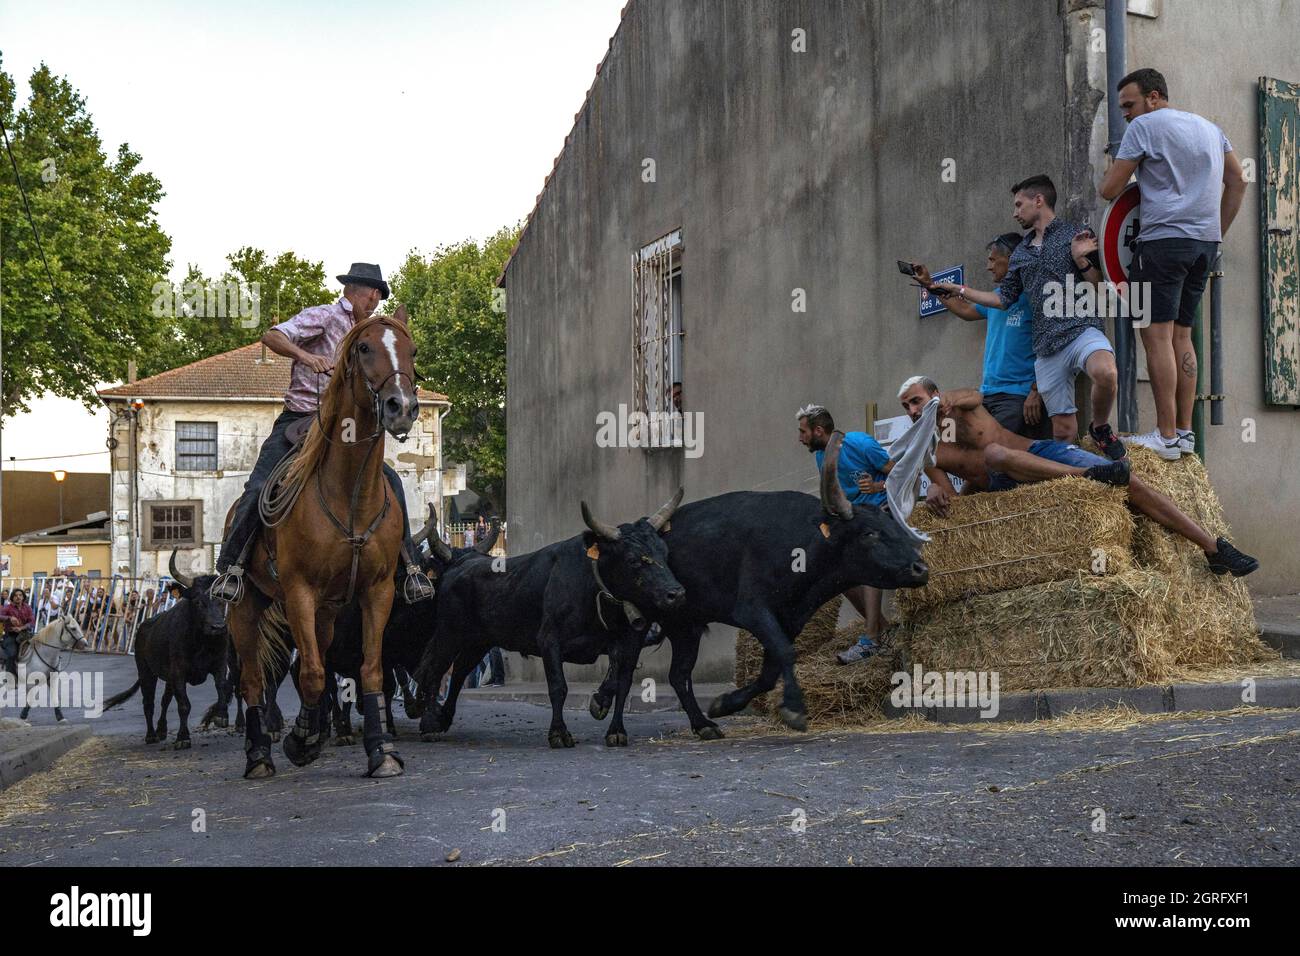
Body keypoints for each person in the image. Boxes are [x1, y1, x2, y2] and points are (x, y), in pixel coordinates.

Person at [210, 263, 435, 605]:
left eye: (380, 296)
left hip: (342, 425)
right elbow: (272, 336)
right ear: (359, 291)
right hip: (300, 419)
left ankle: (409, 567)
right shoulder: (325, 317)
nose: (376, 300)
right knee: (258, 487)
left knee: (392, 481)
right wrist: (306, 356)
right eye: (374, 293)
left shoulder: (370, 332)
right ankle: (232, 568)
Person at [896, 376, 1258, 576]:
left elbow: (971, 393)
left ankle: (1214, 548)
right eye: (907, 406)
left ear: (934, 394)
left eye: (917, 400)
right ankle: (1090, 474)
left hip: (1037, 455)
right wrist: (936, 495)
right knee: (994, 456)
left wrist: (950, 400)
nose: (913, 411)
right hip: (1008, 486)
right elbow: (952, 500)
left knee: (1130, 482)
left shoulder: (962, 409)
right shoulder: (925, 450)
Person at [1099, 67, 1248, 461]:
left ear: (1153, 96)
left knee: (1156, 337)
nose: (1125, 115)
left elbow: (1109, 189)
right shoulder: (1211, 129)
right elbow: (1238, 181)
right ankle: (1184, 432)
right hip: (1203, 245)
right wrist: (1217, 231)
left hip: (1163, 243)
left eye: (1129, 105)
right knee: (1184, 336)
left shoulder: (1144, 128)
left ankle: (1163, 436)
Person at [934, 175, 1125, 460]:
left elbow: (1101, 289)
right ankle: (1068, 481)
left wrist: (1083, 259)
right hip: (1046, 346)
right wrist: (958, 289)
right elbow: (1001, 299)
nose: (1015, 212)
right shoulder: (1021, 253)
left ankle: (1100, 428)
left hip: (1081, 329)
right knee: (1061, 430)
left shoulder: (1076, 234)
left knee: (1106, 372)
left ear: (1039, 201)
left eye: (1019, 204)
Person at [797, 403, 954, 665]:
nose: (799, 438)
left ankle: (870, 639)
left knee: (869, 557)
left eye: (803, 432)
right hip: (855, 517)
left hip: (882, 509)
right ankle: (882, 629)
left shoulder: (859, 443)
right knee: (835, 568)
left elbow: (901, 473)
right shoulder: (821, 456)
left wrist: (876, 486)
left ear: (819, 430)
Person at [914, 233, 1048, 438]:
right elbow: (966, 311)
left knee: (999, 456)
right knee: (975, 453)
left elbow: (1050, 346)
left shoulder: (1034, 297)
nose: (988, 266)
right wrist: (930, 286)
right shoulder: (995, 298)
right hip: (987, 396)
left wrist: (1036, 391)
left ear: (1012, 259)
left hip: (1018, 398)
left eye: (993, 259)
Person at [1, 588, 36, 678]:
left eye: (20, 595)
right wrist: (9, 618)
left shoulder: (27, 607)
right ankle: (10, 678)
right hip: (11, 635)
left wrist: (22, 628)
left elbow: (32, 622)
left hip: (25, 634)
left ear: (23, 597)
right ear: (12, 598)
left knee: (39, 649)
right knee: (12, 654)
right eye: (16, 595)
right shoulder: (8, 607)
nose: (18, 597)